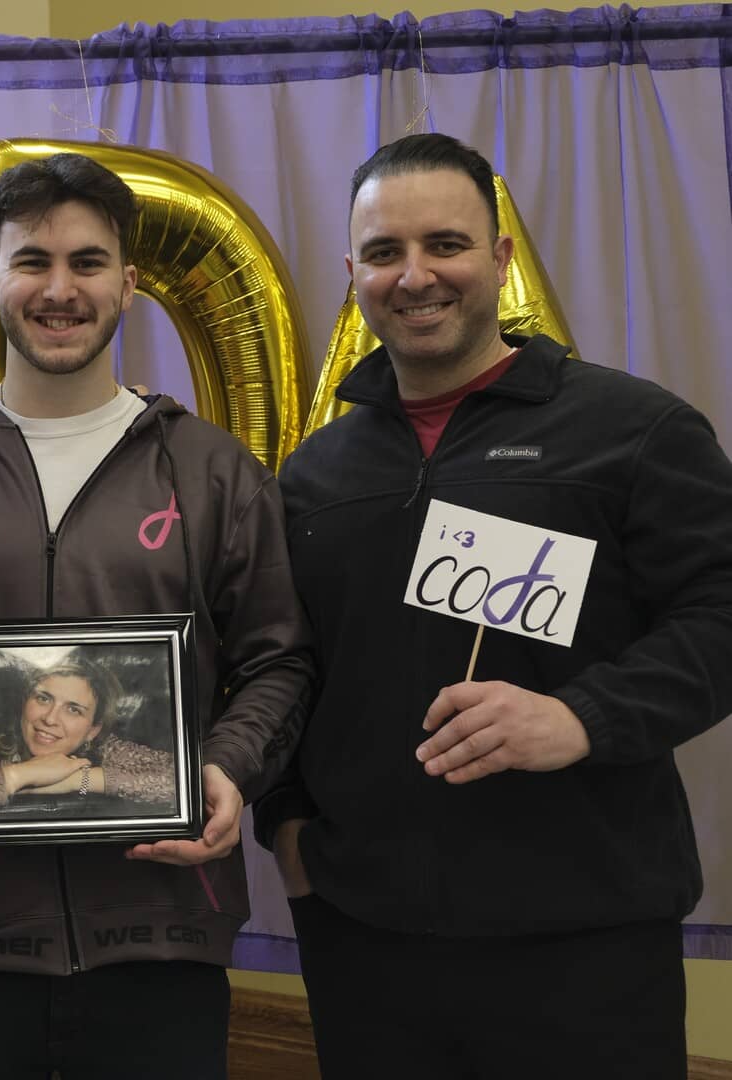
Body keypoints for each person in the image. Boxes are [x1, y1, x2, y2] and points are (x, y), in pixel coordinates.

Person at [0, 152, 313, 1080]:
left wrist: (228, 768)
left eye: (87, 263)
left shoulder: (212, 472)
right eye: (33, 261)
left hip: (160, 936)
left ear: (128, 283)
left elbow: (278, 660)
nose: (60, 289)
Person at [253, 132, 732, 1079]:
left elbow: (721, 615)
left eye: (447, 245)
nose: (416, 275)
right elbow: (283, 664)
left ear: (501, 259)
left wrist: (581, 717)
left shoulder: (633, 430)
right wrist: (290, 831)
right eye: (386, 252)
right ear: (354, 273)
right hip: (365, 939)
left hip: (585, 934)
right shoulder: (316, 473)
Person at [0, 650, 175, 815]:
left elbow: (180, 782)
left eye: (73, 709)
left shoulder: (106, 751)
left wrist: (78, 779)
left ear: (92, 730)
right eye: (43, 698)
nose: (50, 718)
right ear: (24, 703)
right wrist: (22, 775)